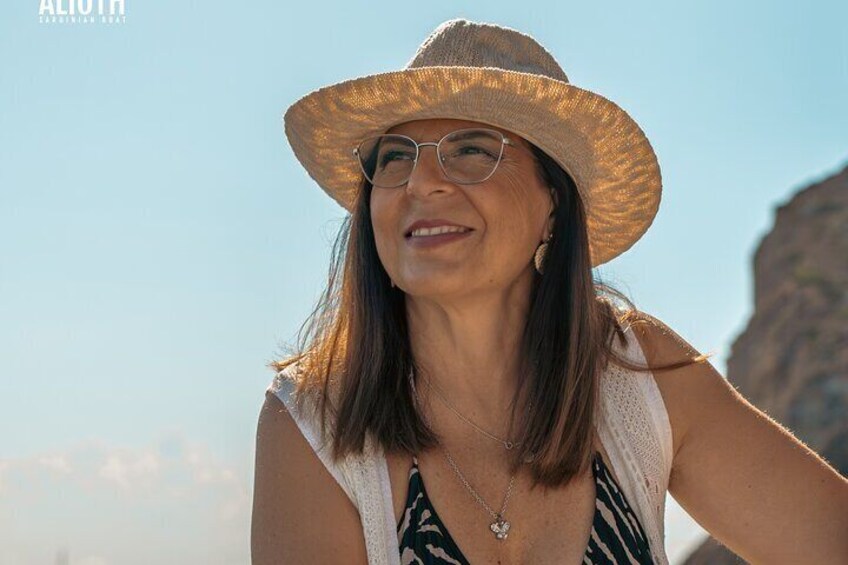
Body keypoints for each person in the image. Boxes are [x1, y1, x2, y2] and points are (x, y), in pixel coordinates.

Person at [251, 18, 848, 565]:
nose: (420, 182)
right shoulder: (311, 421)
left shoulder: (635, 373)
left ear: (553, 205)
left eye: (472, 150)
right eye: (394, 158)